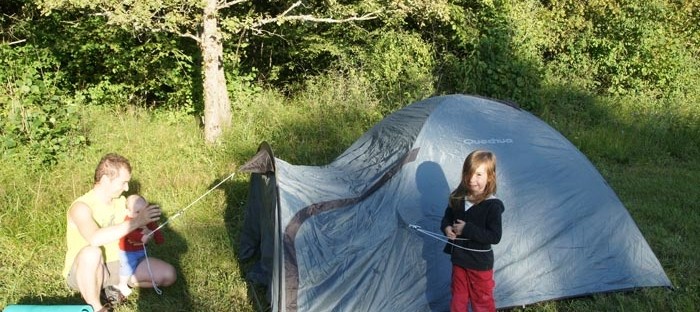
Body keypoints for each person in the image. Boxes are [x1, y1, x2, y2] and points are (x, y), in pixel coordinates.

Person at [63, 153, 176, 312]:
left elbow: (135, 232)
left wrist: (145, 232)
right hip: (88, 268)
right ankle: (96, 307)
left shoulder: (123, 203)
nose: (127, 188)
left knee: (168, 274)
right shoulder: (81, 207)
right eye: (123, 183)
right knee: (91, 252)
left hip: (120, 264)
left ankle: (116, 287)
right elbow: (95, 238)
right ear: (104, 180)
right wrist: (136, 221)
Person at [441, 150, 504, 312]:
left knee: (482, 301)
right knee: (458, 297)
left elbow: (495, 236)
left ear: (490, 177)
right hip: (459, 260)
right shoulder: (458, 198)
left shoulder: (493, 206)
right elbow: (447, 217)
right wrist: (447, 228)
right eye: (468, 173)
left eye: (478, 174)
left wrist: (466, 229)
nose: (471, 179)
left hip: (480, 264)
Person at [115, 194, 165, 297]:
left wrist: (158, 238)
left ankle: (133, 279)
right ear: (128, 212)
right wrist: (141, 237)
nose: (141, 215)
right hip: (127, 252)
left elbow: (154, 227)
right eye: (137, 212)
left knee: (139, 262)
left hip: (140, 250)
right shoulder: (128, 221)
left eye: (143, 211)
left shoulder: (146, 220)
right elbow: (130, 233)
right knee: (126, 267)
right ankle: (122, 284)